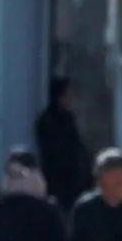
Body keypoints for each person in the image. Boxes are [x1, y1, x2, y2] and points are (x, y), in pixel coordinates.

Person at [35, 76, 93, 214]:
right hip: (59, 182)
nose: (70, 99)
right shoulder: (48, 121)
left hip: (73, 183)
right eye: (67, 95)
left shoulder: (68, 120)